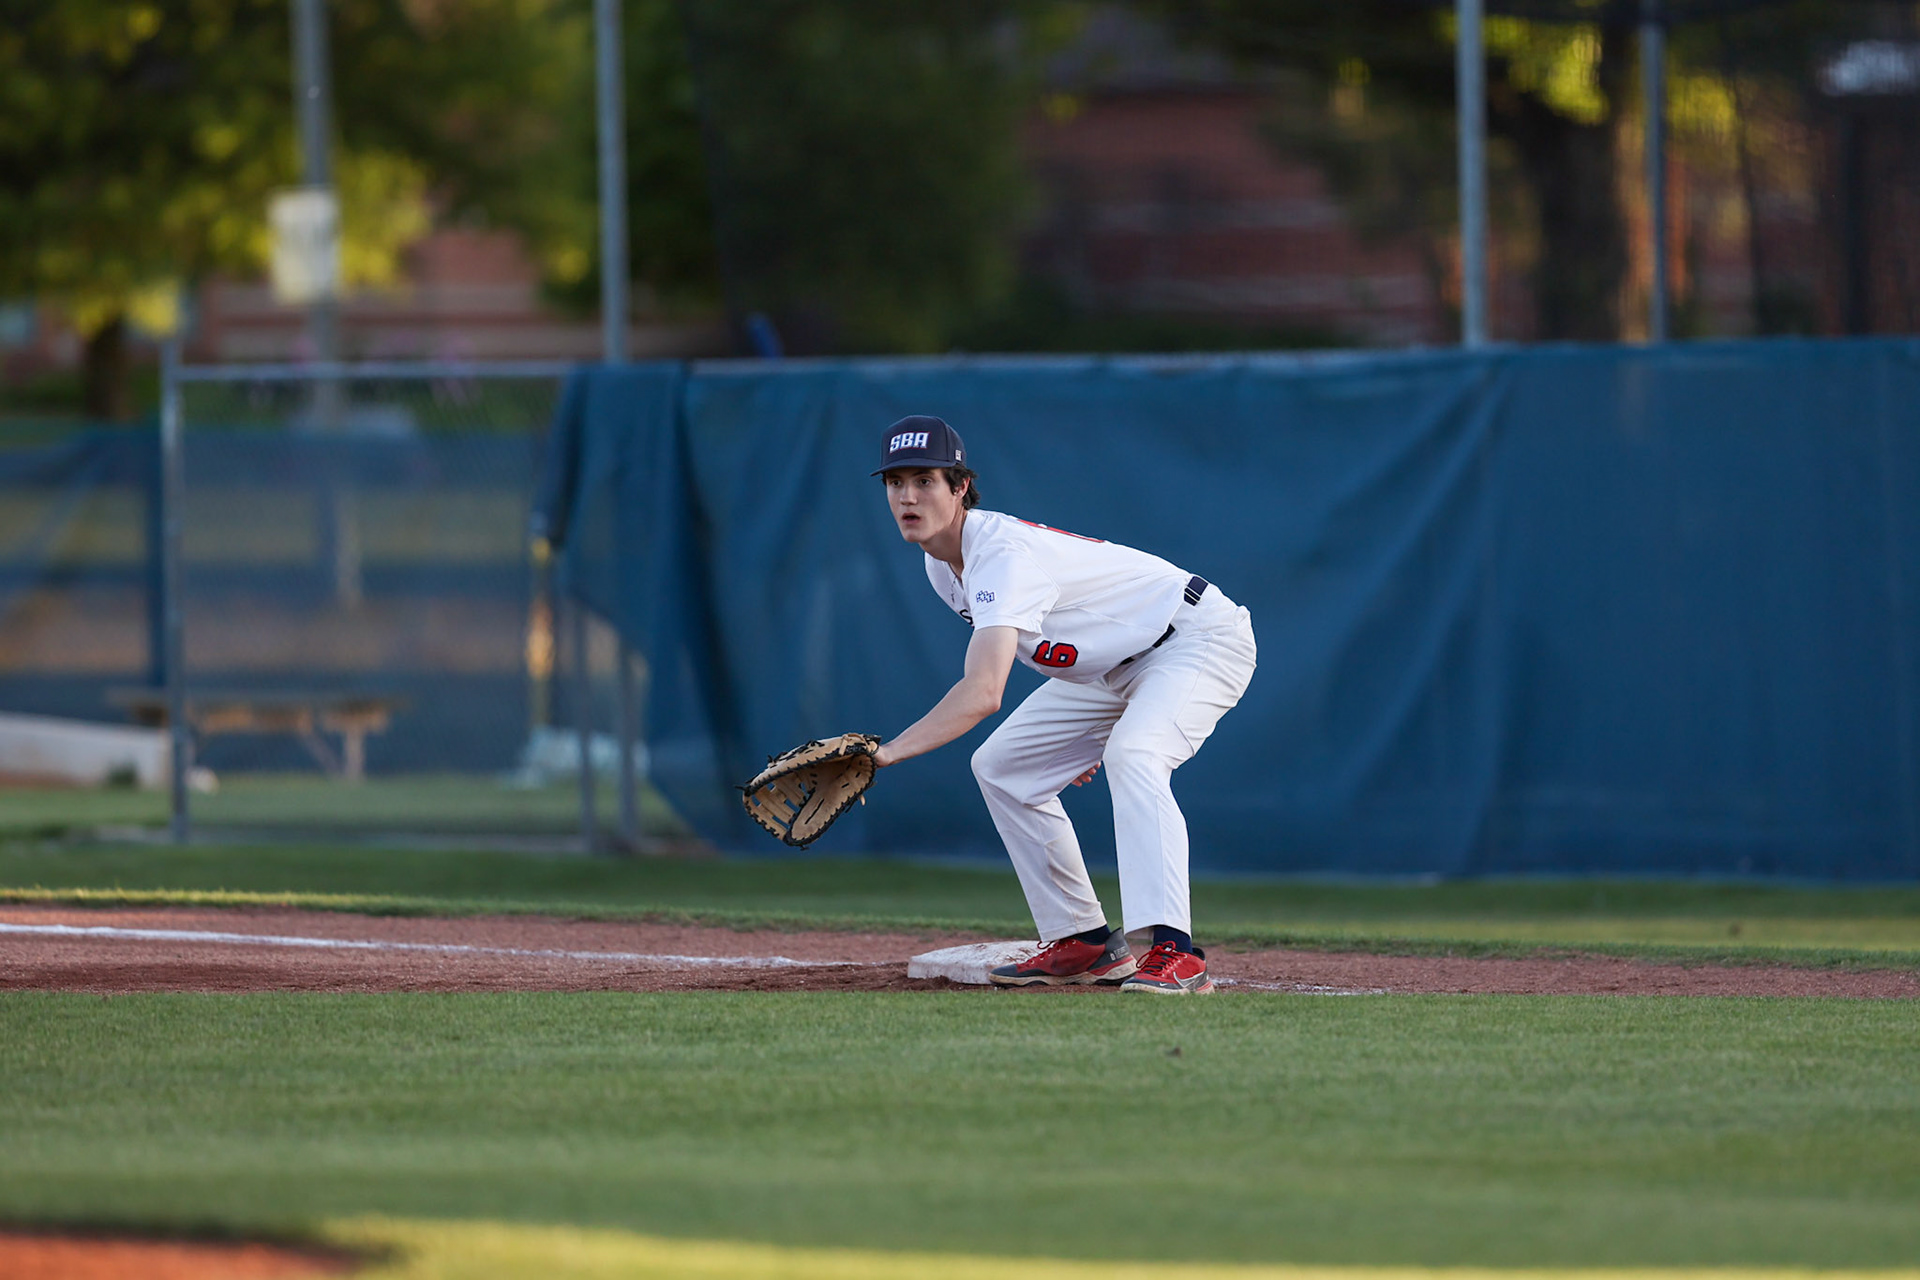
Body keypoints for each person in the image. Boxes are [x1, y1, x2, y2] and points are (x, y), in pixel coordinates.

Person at [868, 415, 1257, 994]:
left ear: (961, 487)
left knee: (1136, 756)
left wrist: (886, 753)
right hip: (1111, 668)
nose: (908, 495)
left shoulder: (999, 555)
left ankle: (1177, 950)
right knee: (1003, 768)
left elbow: (983, 692)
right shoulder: (940, 565)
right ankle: (1084, 940)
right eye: (896, 482)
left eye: (925, 479)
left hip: (1193, 638)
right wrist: (1081, 736)